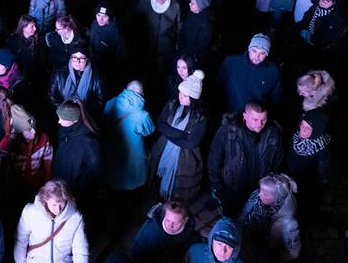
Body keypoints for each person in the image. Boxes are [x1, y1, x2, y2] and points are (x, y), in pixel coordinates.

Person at [13, 179, 90, 263]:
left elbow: (81, 253)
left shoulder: (75, 218)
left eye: (62, 204)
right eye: (54, 204)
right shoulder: (30, 212)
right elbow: (21, 239)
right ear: (45, 200)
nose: (58, 209)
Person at [208, 101, 283, 216]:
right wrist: (219, 189)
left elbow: (278, 163)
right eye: (255, 119)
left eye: (263, 119)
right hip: (231, 189)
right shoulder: (227, 132)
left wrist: (270, 189)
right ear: (245, 116)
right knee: (231, 217)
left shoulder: (273, 134)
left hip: (259, 192)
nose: (259, 124)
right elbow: (214, 161)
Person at [238, 173, 301, 263]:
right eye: (260, 189)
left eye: (265, 193)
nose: (259, 194)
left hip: (269, 261)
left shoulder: (288, 223)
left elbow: (294, 251)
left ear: (277, 198)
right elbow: (244, 215)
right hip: (251, 246)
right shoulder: (257, 196)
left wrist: (276, 258)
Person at [151, 71, 208, 203]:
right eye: (180, 93)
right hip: (164, 148)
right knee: (159, 175)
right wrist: (181, 134)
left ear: (193, 98)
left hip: (185, 158)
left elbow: (190, 143)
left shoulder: (201, 117)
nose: (180, 97)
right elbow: (160, 124)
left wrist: (168, 132)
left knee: (178, 184)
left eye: (185, 95)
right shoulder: (172, 104)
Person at [130, 200, 201, 263]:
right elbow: (136, 250)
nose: (170, 226)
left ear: (185, 220)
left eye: (175, 223)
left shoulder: (193, 239)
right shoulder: (150, 227)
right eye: (168, 220)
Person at [101, 81, 154, 194]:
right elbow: (149, 131)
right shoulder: (142, 114)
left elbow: (103, 122)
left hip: (112, 151)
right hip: (134, 157)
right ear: (142, 93)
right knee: (133, 186)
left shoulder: (111, 103)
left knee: (114, 182)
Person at [52, 100, 103, 203]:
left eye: (62, 119)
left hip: (76, 191)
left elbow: (96, 170)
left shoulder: (89, 142)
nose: (59, 121)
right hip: (62, 184)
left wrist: (78, 190)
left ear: (74, 120)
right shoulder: (64, 129)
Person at [216, 34, 282, 112]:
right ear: (249, 48)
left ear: (267, 54)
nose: (257, 56)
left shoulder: (273, 71)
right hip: (230, 114)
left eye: (262, 53)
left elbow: (275, 98)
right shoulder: (231, 62)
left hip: (255, 118)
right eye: (254, 51)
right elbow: (218, 86)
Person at [0, 104, 54, 195]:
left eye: (34, 126)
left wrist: (47, 183)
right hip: (16, 187)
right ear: (20, 132)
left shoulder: (43, 138)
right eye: (28, 129)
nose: (34, 131)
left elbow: (48, 160)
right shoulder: (8, 145)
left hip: (37, 184)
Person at [136, 0, 181, 75]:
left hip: (166, 45)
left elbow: (180, 25)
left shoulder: (175, 6)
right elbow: (136, 21)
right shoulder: (145, 3)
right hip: (147, 42)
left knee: (162, 70)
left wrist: (177, 43)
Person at [48, 46, 105, 117]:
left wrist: (82, 112)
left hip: (85, 116)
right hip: (61, 115)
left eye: (82, 58)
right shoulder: (60, 72)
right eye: (74, 57)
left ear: (87, 59)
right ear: (70, 57)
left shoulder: (96, 75)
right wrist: (64, 112)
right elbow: (51, 95)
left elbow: (100, 99)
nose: (78, 61)